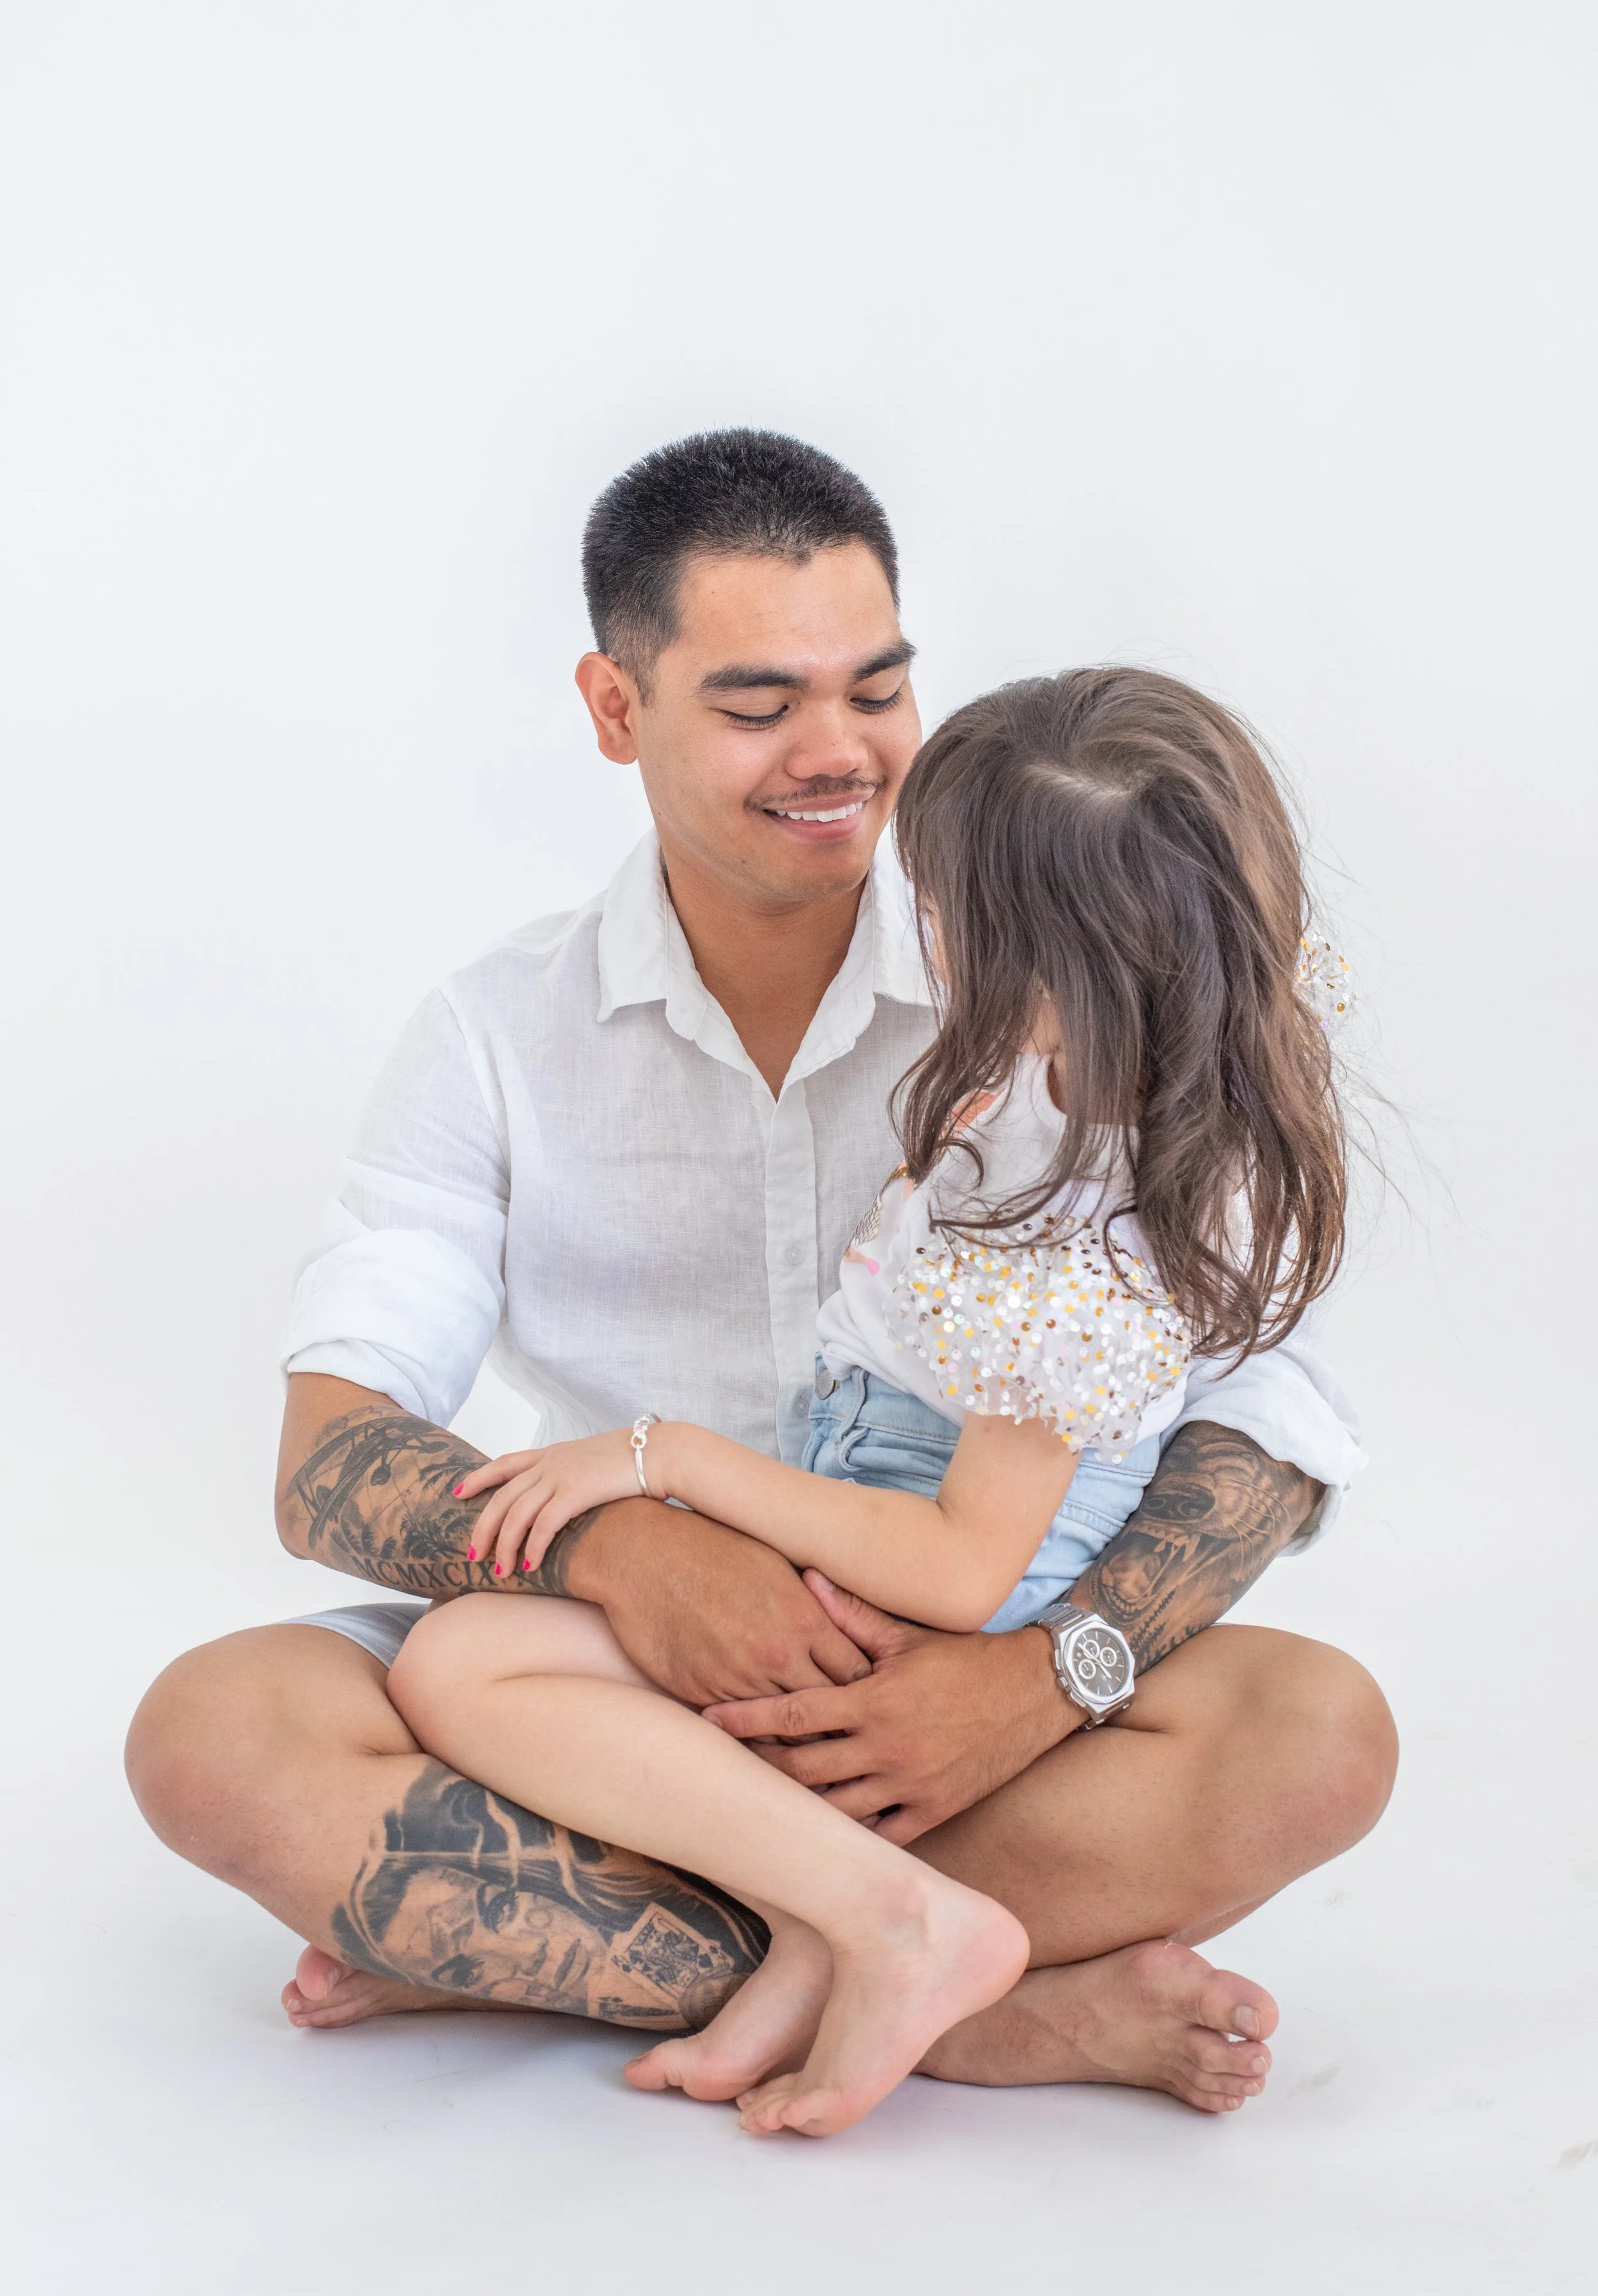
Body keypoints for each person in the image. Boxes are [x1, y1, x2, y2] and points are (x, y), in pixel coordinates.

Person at [125, 430, 1395, 2116]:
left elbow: (1262, 1415)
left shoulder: (1045, 978)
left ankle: (546, 1946)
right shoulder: (494, 1032)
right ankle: (978, 2002)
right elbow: (332, 1449)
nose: (838, 752)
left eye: (876, 687)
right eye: (754, 703)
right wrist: (632, 1549)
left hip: (963, 1656)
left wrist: (1036, 1675)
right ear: (613, 707)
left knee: (1317, 1729)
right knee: (215, 1732)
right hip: (625, 1662)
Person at [384, 665, 1357, 2139]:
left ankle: (890, 1928)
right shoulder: (1098, 1100)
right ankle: (858, 1951)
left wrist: (668, 1460)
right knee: (274, 1724)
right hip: (881, 1532)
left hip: (915, 1586)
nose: (918, 926)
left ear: (1035, 959)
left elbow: (965, 1573)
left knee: (466, 1672)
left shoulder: (1055, 1224)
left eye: (944, 902)